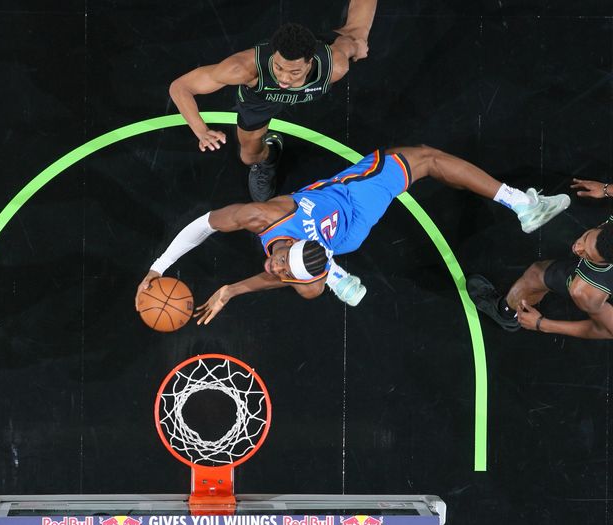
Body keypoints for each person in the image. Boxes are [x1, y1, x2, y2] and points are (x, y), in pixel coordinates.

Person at [135, 146, 571, 324]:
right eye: (278, 264)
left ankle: (338, 277)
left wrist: (231, 288)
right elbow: (204, 227)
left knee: (429, 161)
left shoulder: (266, 227)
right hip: (351, 216)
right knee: (425, 161)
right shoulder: (264, 218)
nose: (270, 266)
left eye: (276, 265)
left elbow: (206, 229)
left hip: (347, 225)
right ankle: (522, 204)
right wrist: (159, 266)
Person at [169, 0, 378, 202]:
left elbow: (347, 44)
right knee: (249, 157)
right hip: (260, 100)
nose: (285, 78)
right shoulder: (243, 68)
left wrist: (356, 44)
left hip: (314, 71)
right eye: (279, 68)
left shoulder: (336, 66)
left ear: (310, 62)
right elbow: (180, 87)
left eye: (294, 71)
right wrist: (201, 131)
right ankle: (270, 154)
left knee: (357, 33)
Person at [468, 178, 613, 338]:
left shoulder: (587, 291)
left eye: (587, 254)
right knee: (540, 271)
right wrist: (607, 189)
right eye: (585, 238)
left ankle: (506, 314)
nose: (577, 248)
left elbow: (605, 330)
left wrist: (542, 324)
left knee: (536, 274)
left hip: (595, 283)